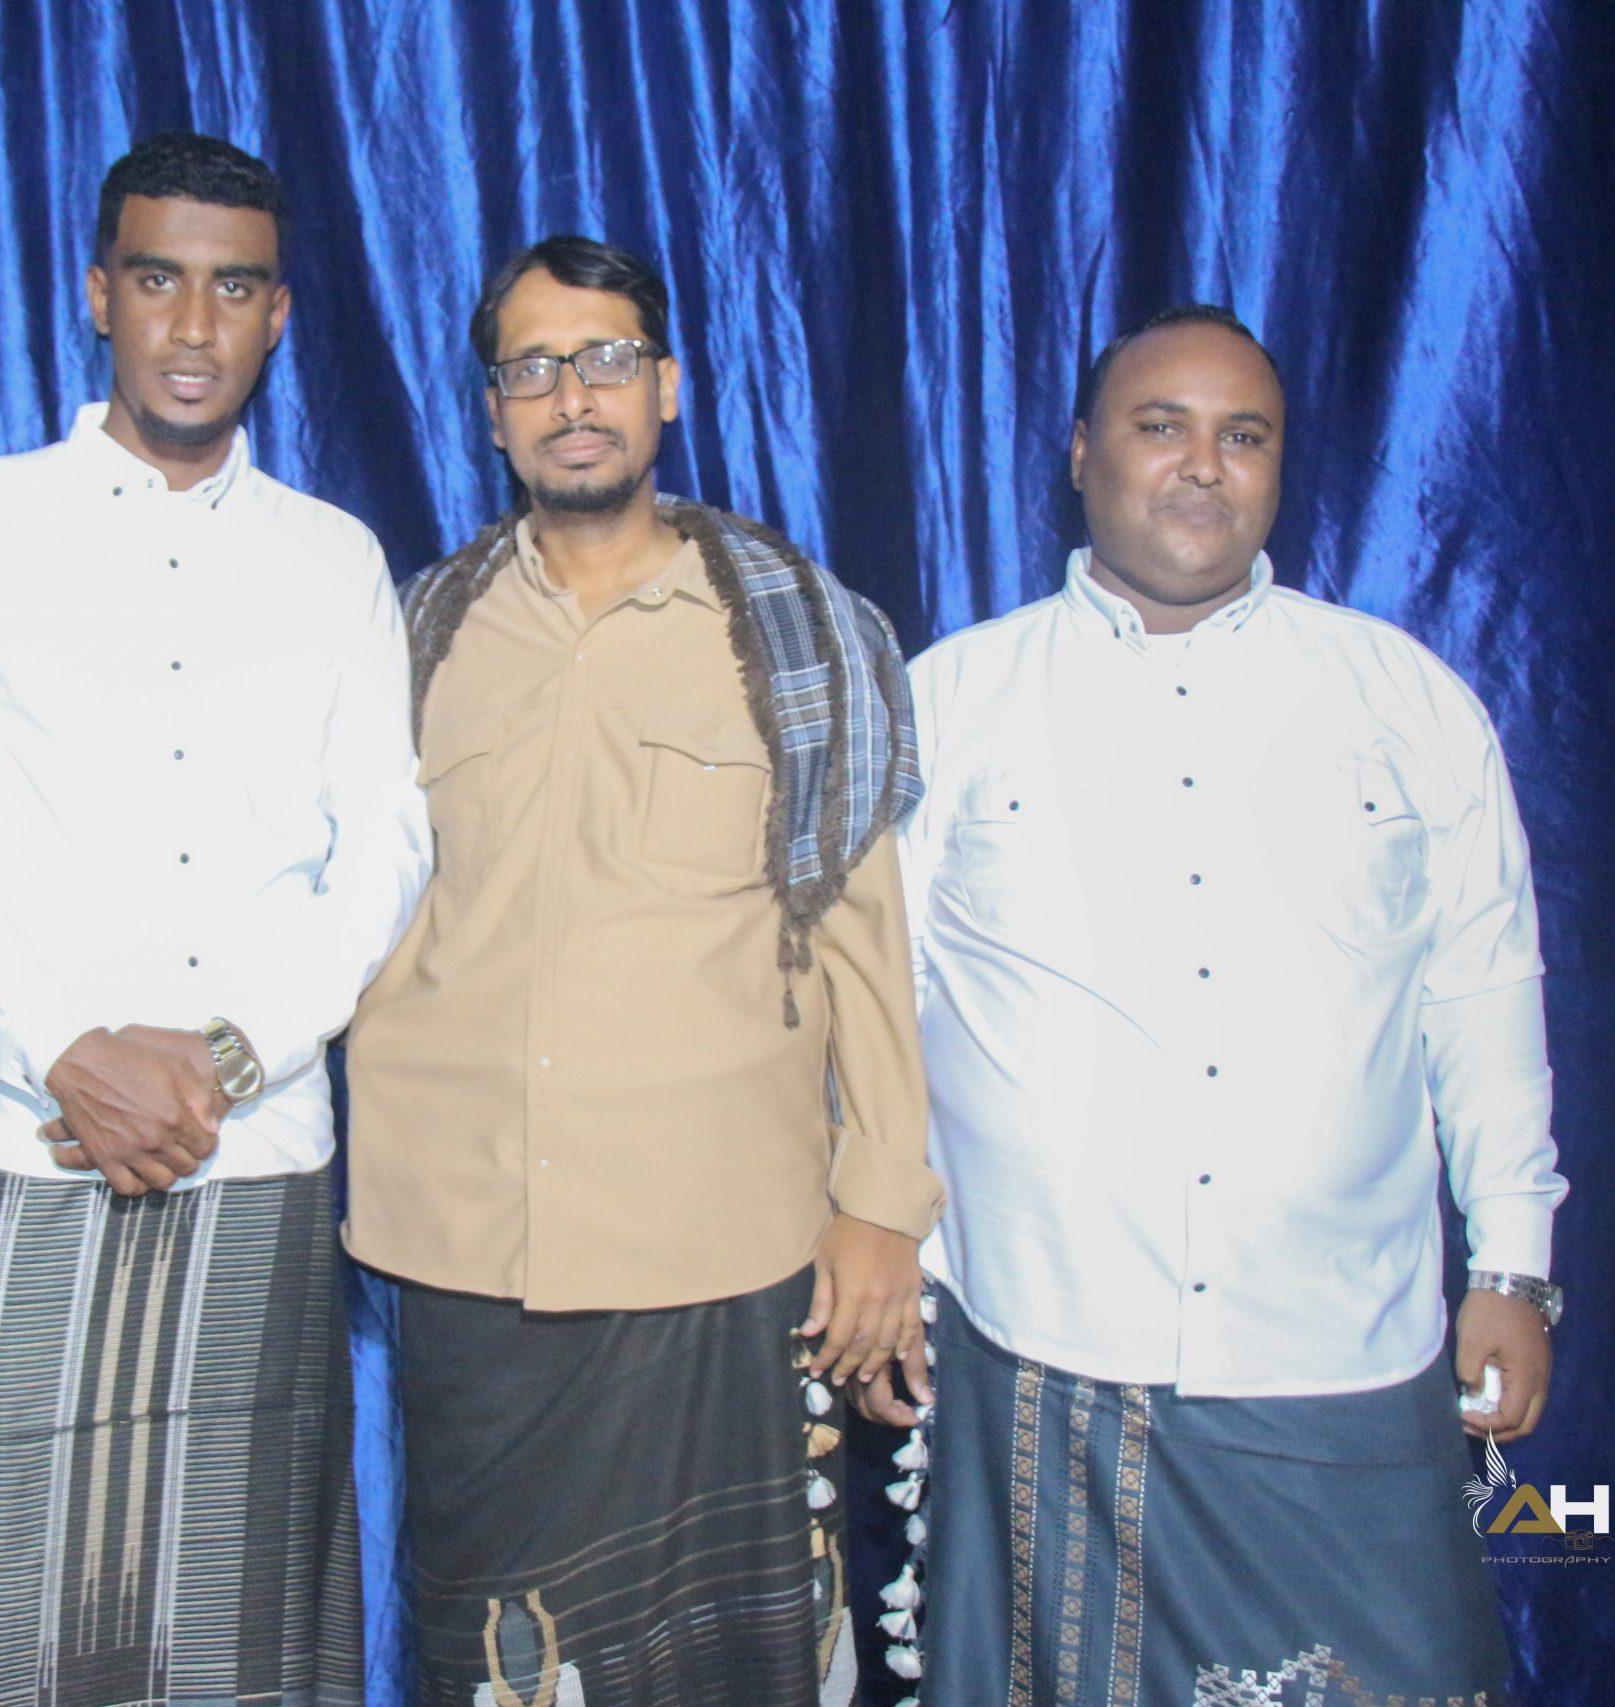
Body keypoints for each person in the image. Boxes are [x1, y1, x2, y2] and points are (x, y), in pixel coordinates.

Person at [902, 304, 1563, 1706]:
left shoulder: (1404, 701)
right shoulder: (954, 702)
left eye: (1242, 436)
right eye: (1162, 427)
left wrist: (1511, 1268)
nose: (1203, 465)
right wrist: (878, 1248)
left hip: (1345, 1355)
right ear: (1080, 453)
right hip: (1044, 1355)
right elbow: (870, 1010)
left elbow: (1484, 991)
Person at [0, 132, 427, 1706]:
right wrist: (68, 1053)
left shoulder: (334, 559)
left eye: (234, 288)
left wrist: (224, 1060)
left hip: (252, 1152)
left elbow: (382, 854)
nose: (193, 323)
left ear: (279, 315)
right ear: (99, 294)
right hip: (25, 1141)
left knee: (233, 1644)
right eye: (159, 279)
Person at [343, 235, 941, 1707]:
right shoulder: (411, 636)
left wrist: (882, 1206)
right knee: (493, 1661)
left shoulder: (799, 635)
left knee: (730, 1664)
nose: (574, 397)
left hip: (723, 1253)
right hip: (471, 1252)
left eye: (606, 359)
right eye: (533, 369)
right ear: (492, 412)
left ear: (666, 386)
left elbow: (863, 937)